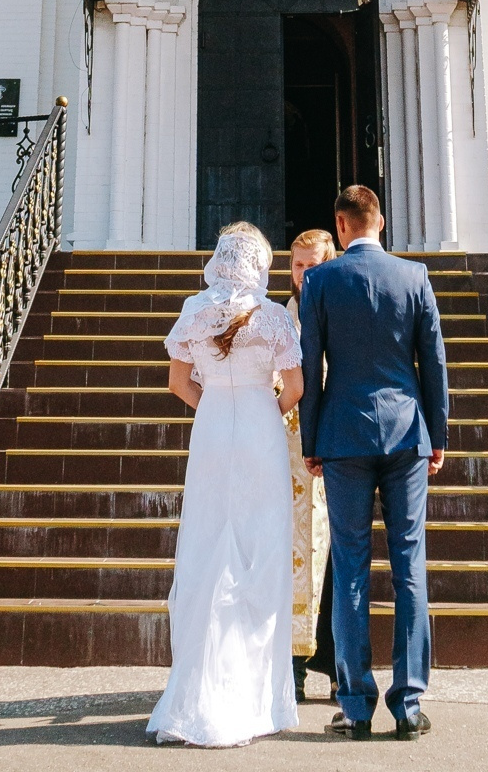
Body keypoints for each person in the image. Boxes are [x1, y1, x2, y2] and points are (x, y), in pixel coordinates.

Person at [299, 185, 448, 742]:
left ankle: (357, 705)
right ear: (379, 221)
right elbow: (432, 360)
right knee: (409, 566)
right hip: (406, 432)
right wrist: (438, 432)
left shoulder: (320, 280)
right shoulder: (414, 278)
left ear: (340, 226)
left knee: (352, 568)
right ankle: (409, 704)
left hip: (342, 435)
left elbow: (312, 366)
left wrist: (311, 438)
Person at [146, 222, 303, 749]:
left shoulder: (194, 311)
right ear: (259, 265)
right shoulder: (275, 316)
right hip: (258, 427)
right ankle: (258, 699)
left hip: (212, 428)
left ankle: (196, 691)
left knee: (208, 546)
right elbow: (298, 386)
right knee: (261, 550)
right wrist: (264, 410)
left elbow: (176, 382)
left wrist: (212, 403)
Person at [284, 228, 337, 700]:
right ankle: (293, 667)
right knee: (293, 553)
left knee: (336, 555)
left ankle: (337, 663)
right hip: (289, 453)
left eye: (314, 265)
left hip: (333, 448)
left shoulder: (343, 307)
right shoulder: (279, 320)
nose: (306, 275)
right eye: (299, 266)